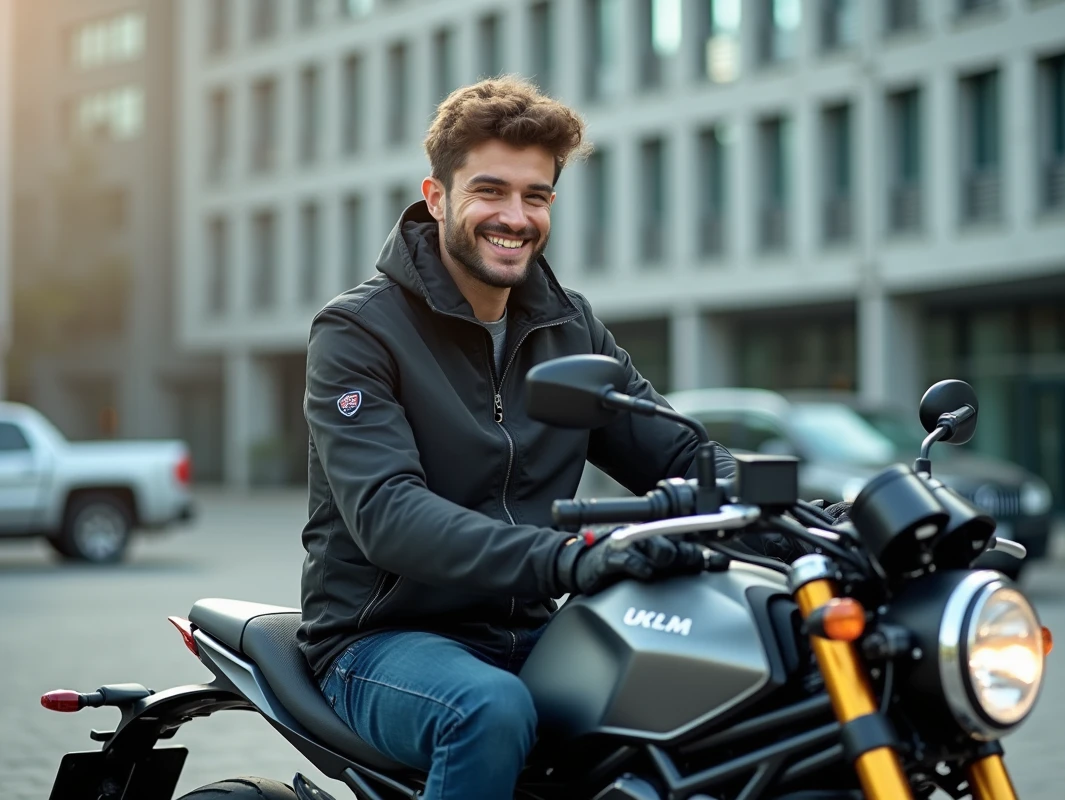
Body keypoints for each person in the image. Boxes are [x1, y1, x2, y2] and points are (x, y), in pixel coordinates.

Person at [296, 76, 737, 800]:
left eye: (535, 196)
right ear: (436, 197)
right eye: (490, 191)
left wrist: (805, 511)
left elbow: (680, 454)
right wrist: (569, 558)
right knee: (487, 709)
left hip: (533, 632)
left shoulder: (569, 326)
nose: (514, 216)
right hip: (381, 639)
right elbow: (388, 515)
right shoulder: (358, 331)